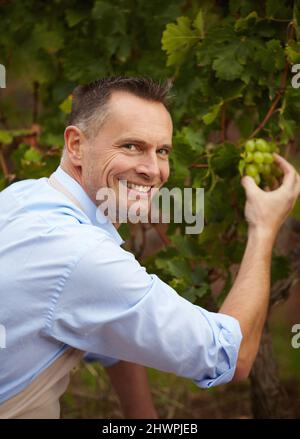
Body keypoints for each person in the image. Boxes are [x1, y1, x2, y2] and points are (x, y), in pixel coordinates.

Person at [0, 77, 299, 419]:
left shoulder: (24, 197)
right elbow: (232, 355)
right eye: (131, 146)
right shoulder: (83, 257)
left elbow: (102, 320)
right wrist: (263, 228)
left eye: (162, 151)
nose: (153, 170)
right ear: (76, 145)